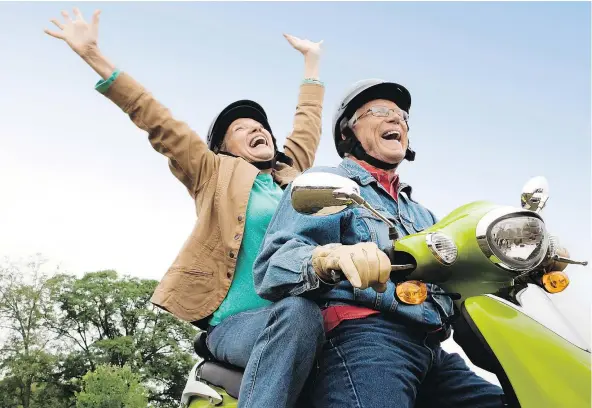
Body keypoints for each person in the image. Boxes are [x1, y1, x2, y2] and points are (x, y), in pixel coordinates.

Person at [45, 8, 326, 408]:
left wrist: (311, 61)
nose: (257, 129)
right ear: (224, 149)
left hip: (302, 316)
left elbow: (307, 124)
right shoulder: (213, 172)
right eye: (242, 129)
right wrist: (94, 56)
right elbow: (157, 120)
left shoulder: (291, 177)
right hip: (238, 324)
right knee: (300, 314)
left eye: (261, 125)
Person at [253, 79, 510, 407]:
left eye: (401, 115)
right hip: (364, 336)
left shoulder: (425, 216)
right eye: (379, 111)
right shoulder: (329, 185)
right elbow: (273, 265)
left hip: (433, 351)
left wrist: (525, 262)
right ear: (348, 132)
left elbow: (461, 278)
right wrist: (328, 256)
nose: (396, 120)